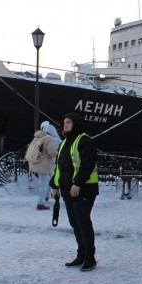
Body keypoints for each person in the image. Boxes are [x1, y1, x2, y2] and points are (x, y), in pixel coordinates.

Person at [50, 112, 99, 271]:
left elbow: (87, 164)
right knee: (75, 223)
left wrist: (77, 183)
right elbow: (59, 168)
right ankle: (81, 255)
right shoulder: (64, 142)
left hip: (84, 189)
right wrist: (55, 185)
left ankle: (90, 258)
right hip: (67, 190)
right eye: (64, 122)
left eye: (69, 122)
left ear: (76, 124)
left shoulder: (85, 140)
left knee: (83, 222)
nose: (65, 125)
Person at [28, 121, 61, 210]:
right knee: (44, 183)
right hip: (46, 164)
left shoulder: (38, 137)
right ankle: (40, 203)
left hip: (38, 163)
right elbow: (52, 153)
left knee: (46, 180)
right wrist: (57, 153)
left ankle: (46, 196)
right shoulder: (51, 139)